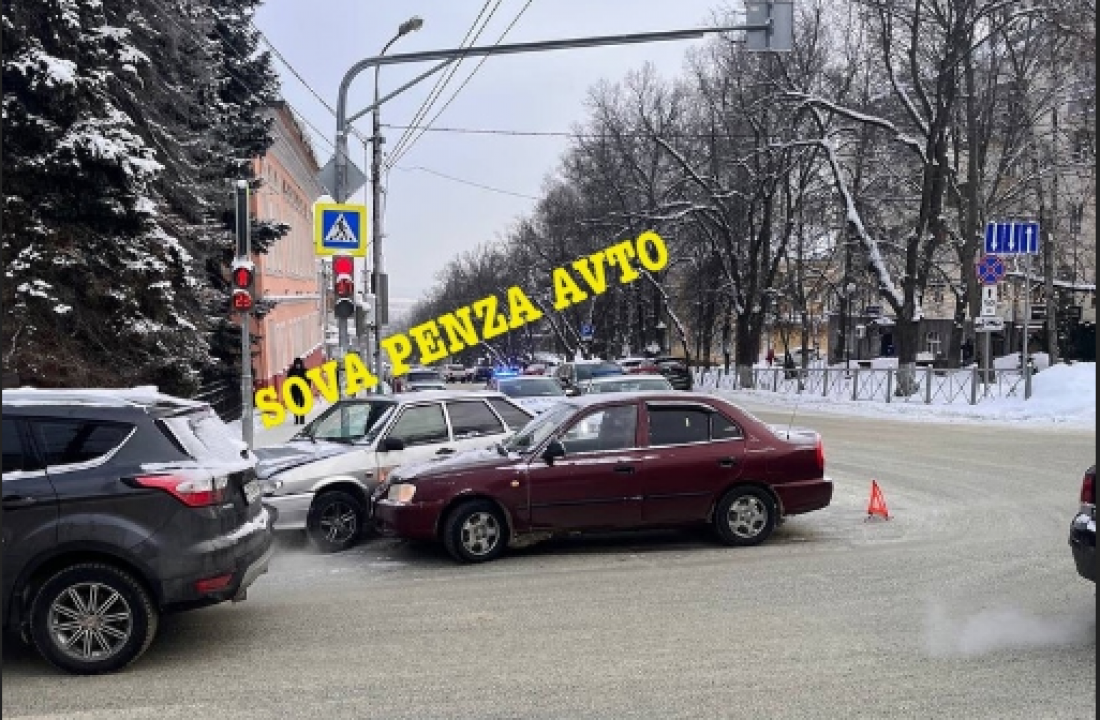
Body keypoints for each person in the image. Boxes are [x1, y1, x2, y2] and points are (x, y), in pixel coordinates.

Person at [286, 358, 310, 424]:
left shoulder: (305, 371)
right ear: (294, 364)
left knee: (302, 405)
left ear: (301, 364)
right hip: (294, 391)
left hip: (303, 391)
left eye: (299, 364)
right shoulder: (291, 371)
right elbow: (288, 381)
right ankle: (296, 420)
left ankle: (302, 420)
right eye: (296, 364)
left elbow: (308, 380)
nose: (298, 365)